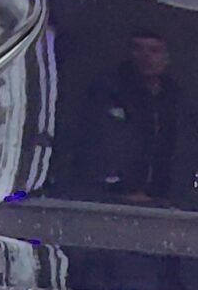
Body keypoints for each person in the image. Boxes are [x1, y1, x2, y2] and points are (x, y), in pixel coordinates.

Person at [67, 31, 180, 203]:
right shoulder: (107, 92)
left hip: (163, 200)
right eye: (138, 48)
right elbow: (94, 145)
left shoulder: (174, 98)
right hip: (109, 198)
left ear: (167, 58)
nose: (146, 57)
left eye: (154, 50)